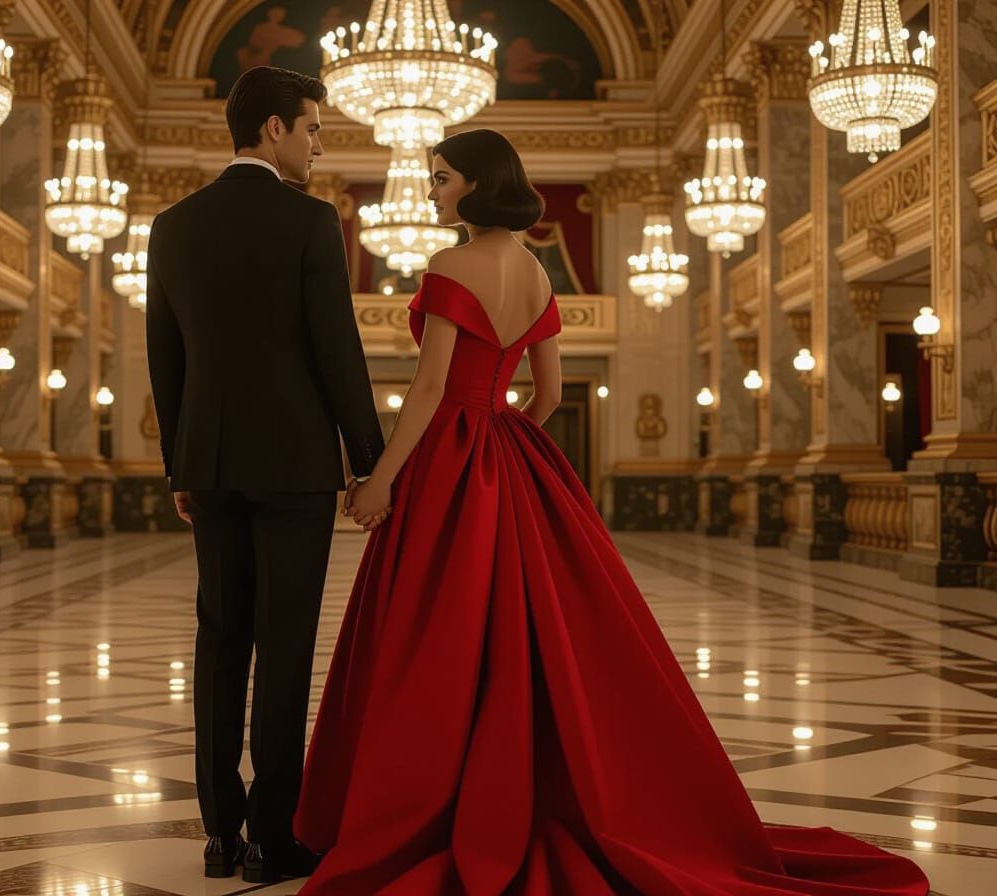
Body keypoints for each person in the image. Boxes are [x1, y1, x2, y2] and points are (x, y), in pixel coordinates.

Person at [292, 128, 931, 895]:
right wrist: (501, 438)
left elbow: (428, 392)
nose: (431, 190)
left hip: (447, 463)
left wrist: (381, 481)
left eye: (442, 177)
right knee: (528, 628)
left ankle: (424, 798)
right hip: (511, 454)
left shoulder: (449, 264)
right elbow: (552, 396)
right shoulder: (534, 272)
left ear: (477, 184)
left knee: (436, 627)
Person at [145, 66, 385, 884]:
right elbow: (337, 352)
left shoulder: (171, 226)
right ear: (275, 130)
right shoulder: (312, 223)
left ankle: (218, 831)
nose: (319, 143)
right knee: (283, 649)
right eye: (313, 127)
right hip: (296, 467)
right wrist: (374, 463)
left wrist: (181, 463)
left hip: (208, 462)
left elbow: (164, 358)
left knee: (219, 640)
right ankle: (272, 840)